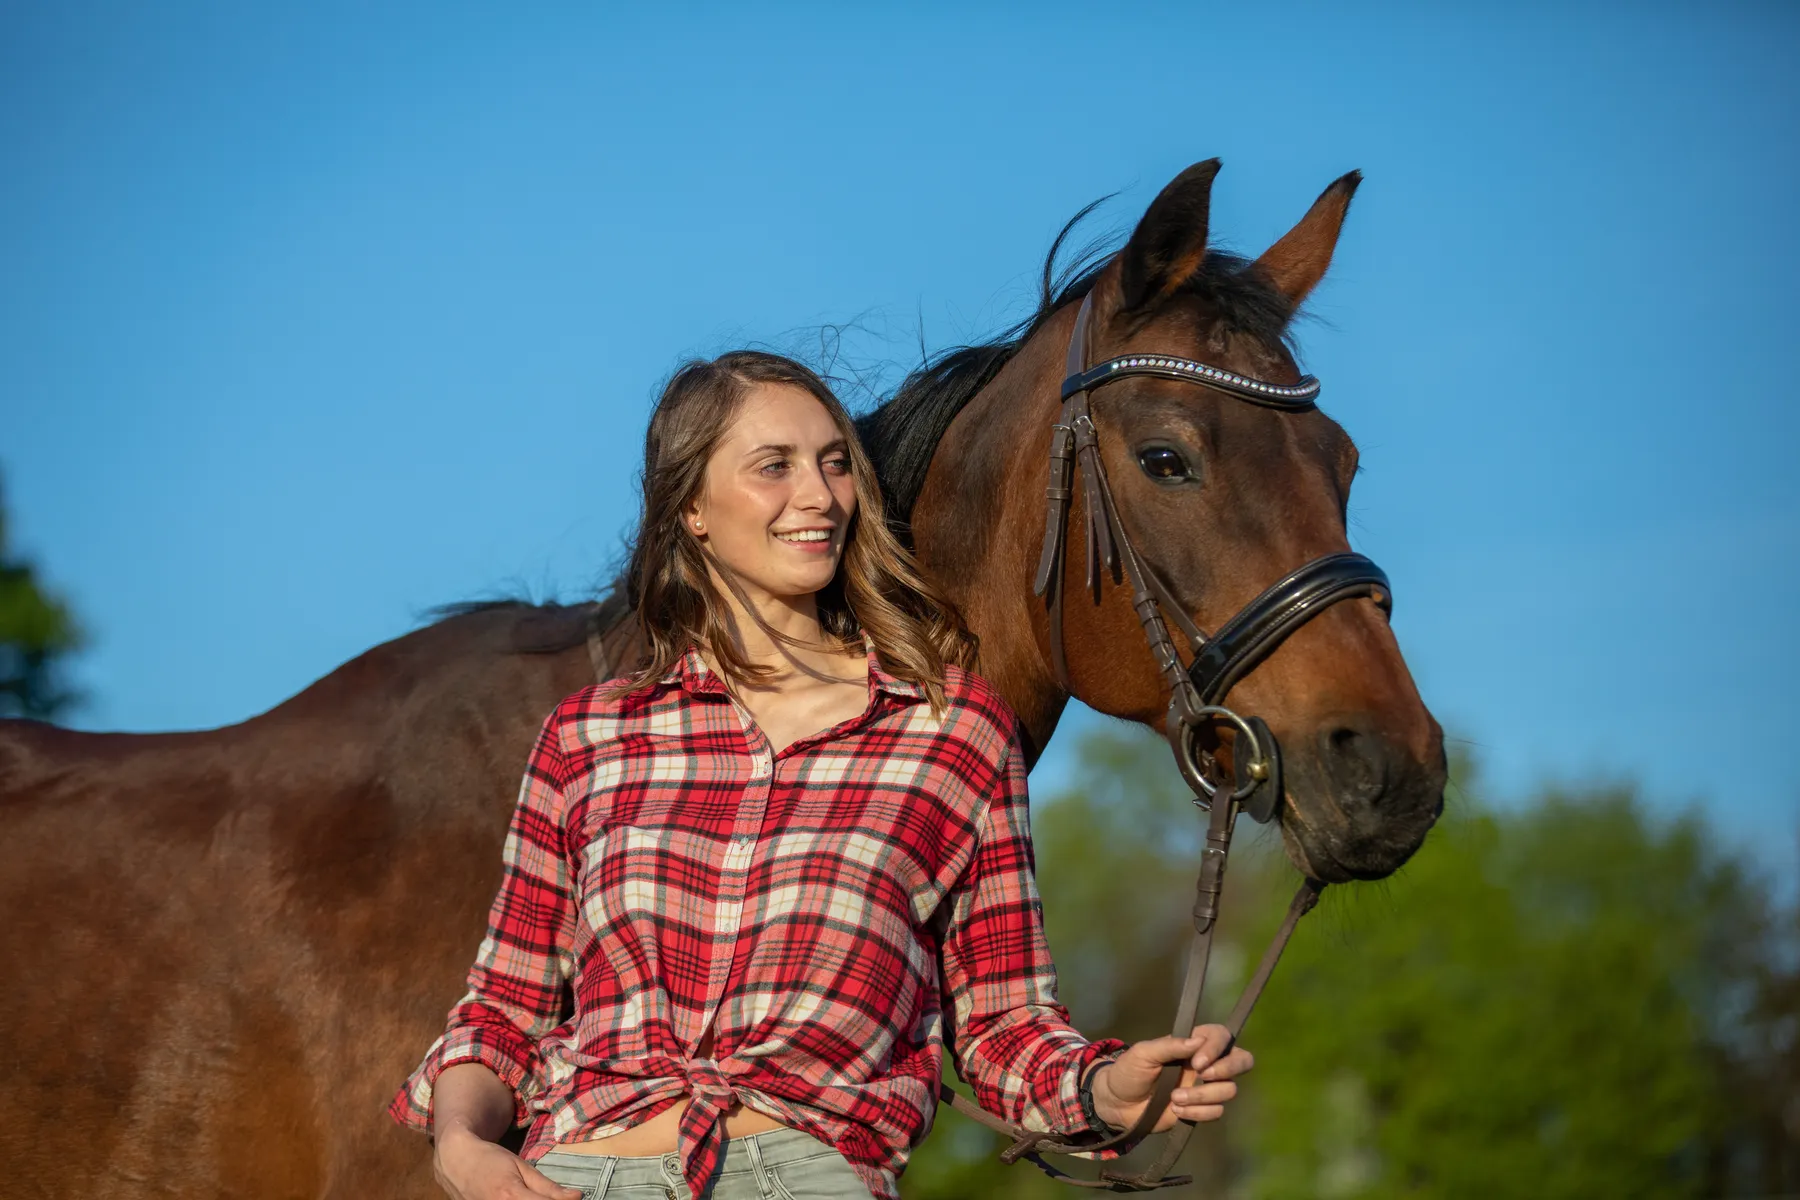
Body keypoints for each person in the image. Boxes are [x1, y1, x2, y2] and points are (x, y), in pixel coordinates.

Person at [390, 351, 1255, 1200]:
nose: (820, 496)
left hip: (801, 1173)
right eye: (775, 466)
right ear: (692, 507)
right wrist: (460, 1145)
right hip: (578, 1171)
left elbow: (1003, 1025)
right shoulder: (592, 735)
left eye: (835, 463)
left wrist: (1105, 1090)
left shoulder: (948, 730)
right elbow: (503, 1013)